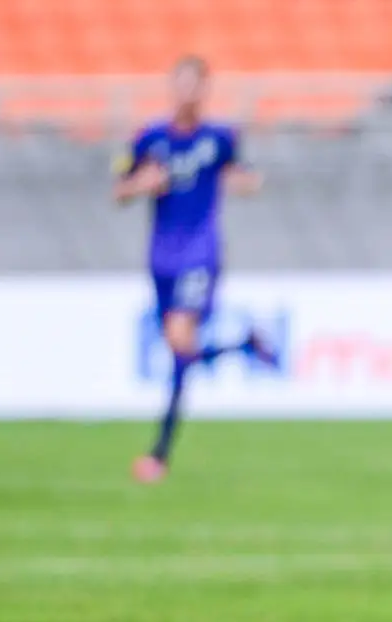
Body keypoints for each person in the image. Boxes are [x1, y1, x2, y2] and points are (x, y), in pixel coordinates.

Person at [114, 56, 277, 483]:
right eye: (181, 84)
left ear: (205, 90)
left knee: (179, 340)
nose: (187, 92)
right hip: (161, 256)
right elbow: (120, 189)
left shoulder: (219, 137)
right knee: (179, 352)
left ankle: (159, 455)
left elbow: (237, 172)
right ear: (172, 87)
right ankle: (243, 345)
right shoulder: (150, 138)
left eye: (195, 85)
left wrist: (247, 182)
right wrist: (139, 185)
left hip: (200, 253)